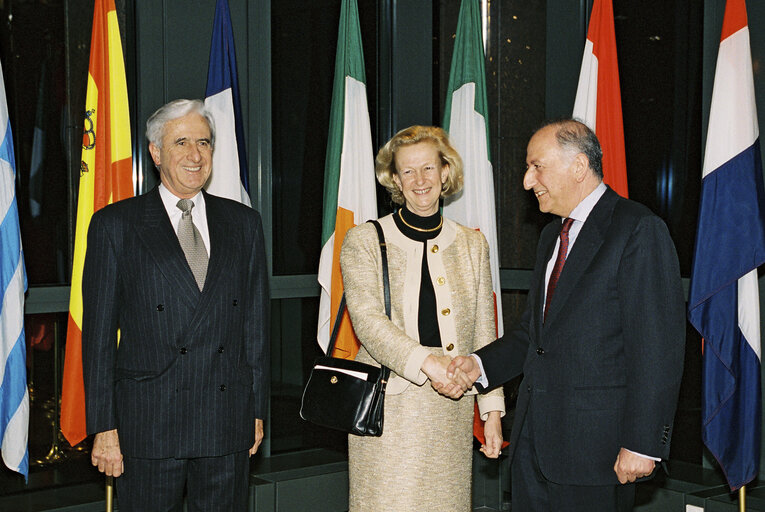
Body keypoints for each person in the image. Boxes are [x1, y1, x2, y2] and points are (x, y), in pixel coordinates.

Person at [440, 119, 685, 512]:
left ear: (578, 166)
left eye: (537, 166)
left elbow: (658, 348)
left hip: (597, 456)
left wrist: (643, 443)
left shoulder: (638, 230)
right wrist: (478, 366)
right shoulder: (552, 237)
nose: (526, 181)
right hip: (532, 448)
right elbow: (535, 337)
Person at [81, 99, 269, 511]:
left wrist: (256, 409)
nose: (194, 155)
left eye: (203, 142)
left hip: (225, 419)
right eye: (181, 142)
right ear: (155, 152)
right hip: (149, 423)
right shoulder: (116, 225)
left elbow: (254, 328)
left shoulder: (244, 224)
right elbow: (96, 338)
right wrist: (104, 427)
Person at [339, 125, 505, 512]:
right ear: (394, 179)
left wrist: (492, 412)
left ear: (445, 172)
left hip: (451, 409)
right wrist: (430, 364)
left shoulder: (472, 244)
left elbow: (484, 330)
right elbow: (367, 322)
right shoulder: (363, 240)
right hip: (386, 412)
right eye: (408, 171)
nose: (420, 180)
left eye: (428, 168)